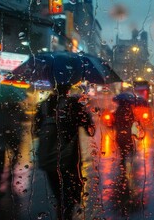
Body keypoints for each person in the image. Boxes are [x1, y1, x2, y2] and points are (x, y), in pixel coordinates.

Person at [34, 85, 94, 219]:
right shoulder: (74, 104)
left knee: (58, 194)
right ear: (68, 88)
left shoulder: (43, 105)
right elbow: (89, 130)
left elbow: (36, 131)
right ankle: (65, 215)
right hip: (68, 158)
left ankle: (61, 215)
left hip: (47, 158)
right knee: (70, 193)